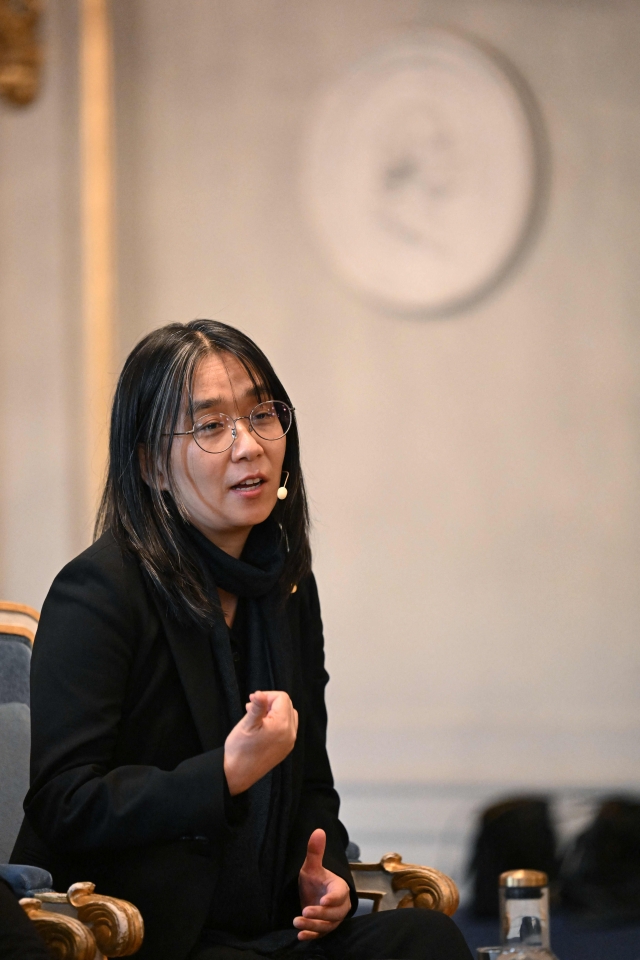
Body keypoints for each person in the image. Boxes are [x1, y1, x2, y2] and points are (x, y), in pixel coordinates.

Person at [11, 321, 472, 960]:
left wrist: (327, 874)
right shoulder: (99, 590)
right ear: (149, 465)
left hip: (271, 930)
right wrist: (224, 775)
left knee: (425, 938)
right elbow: (66, 803)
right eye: (210, 426)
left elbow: (312, 781)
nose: (249, 446)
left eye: (261, 414)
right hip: (153, 934)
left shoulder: (285, 585)